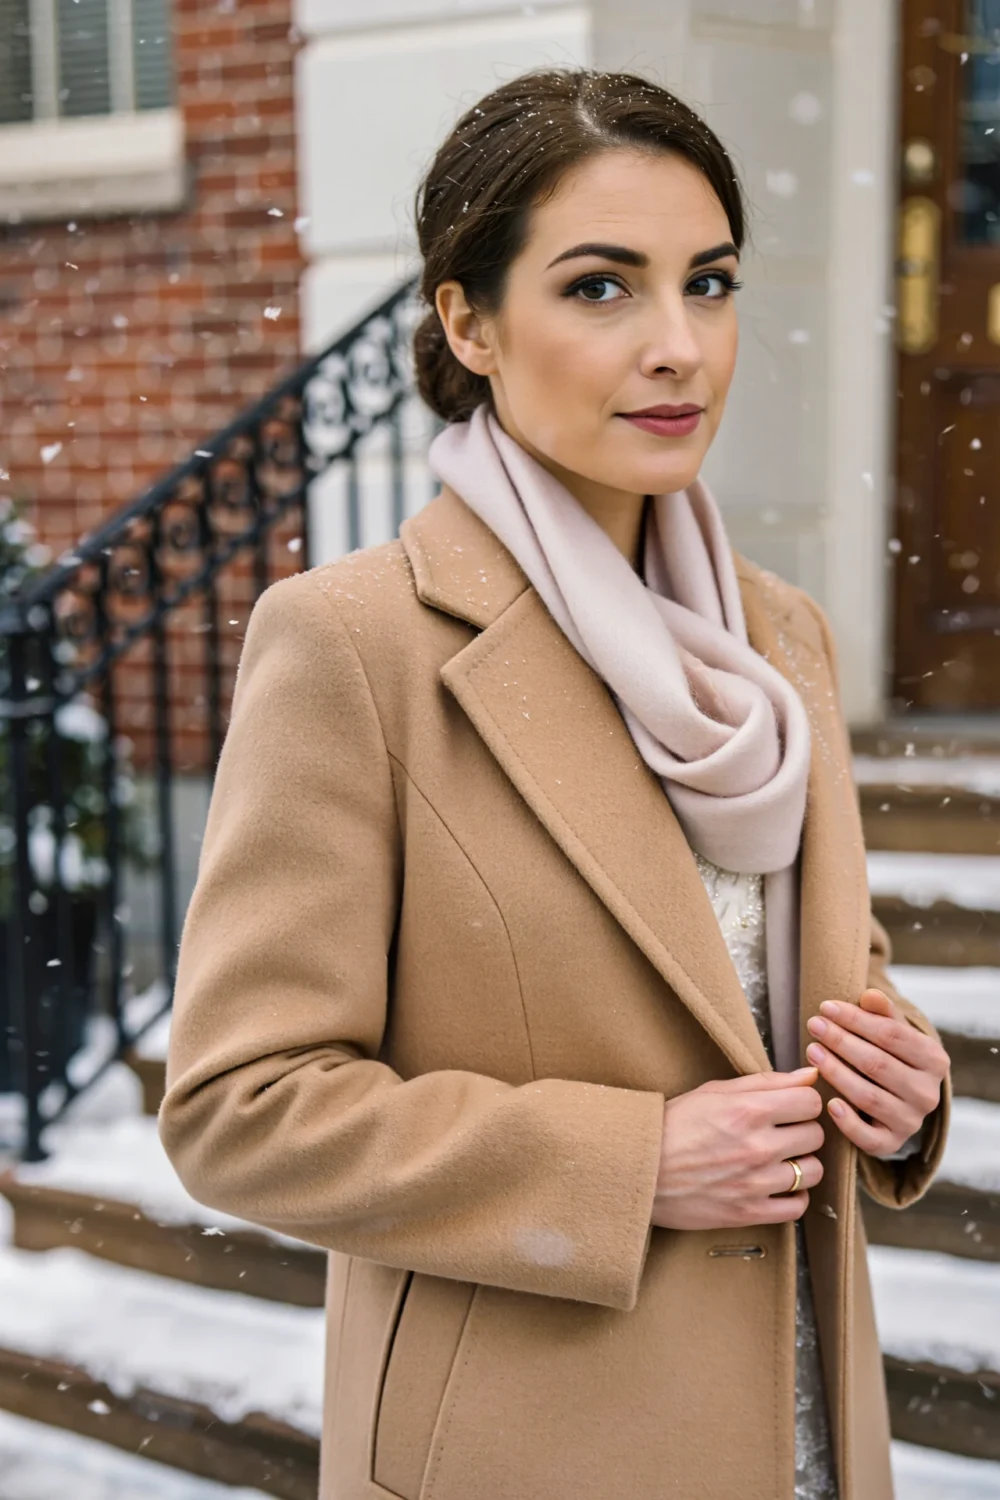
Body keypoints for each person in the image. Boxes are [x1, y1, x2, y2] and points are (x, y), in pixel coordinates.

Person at [159, 68, 951, 1500]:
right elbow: (240, 1107)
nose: (678, 347)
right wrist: (627, 1164)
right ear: (468, 322)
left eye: (707, 284)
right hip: (527, 1449)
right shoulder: (355, 645)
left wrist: (894, 1080)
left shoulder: (782, 640)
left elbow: (793, 976)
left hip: (809, 1437)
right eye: (601, 289)